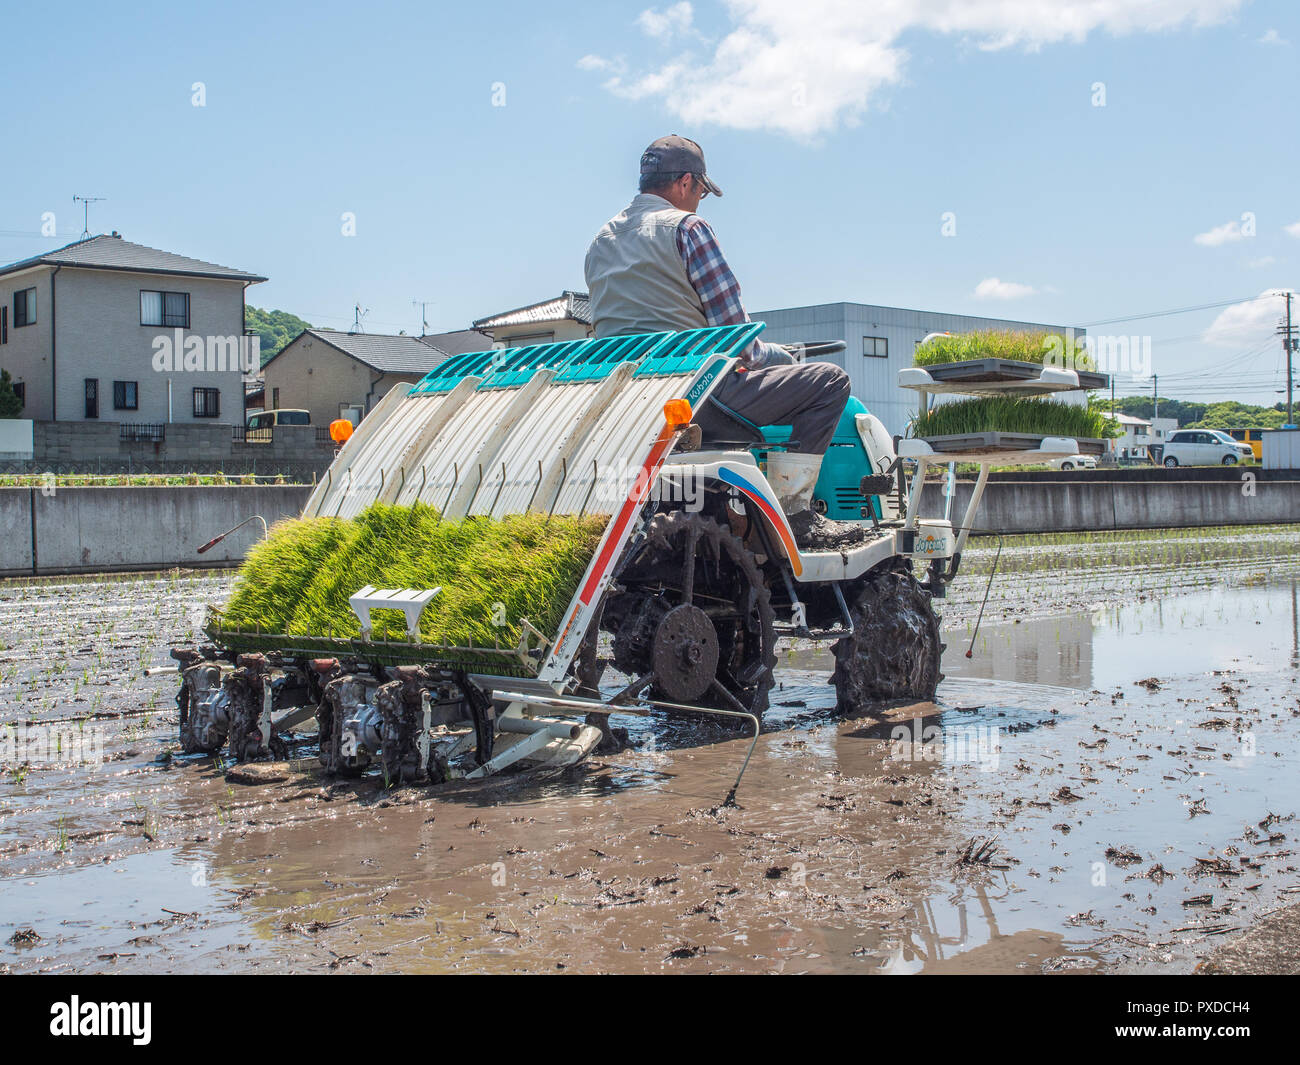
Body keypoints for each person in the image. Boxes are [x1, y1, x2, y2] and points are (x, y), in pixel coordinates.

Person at [584, 135, 862, 547]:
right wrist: (779, 356)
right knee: (830, 381)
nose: (699, 201)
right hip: (699, 396)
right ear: (684, 183)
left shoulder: (601, 241)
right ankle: (795, 515)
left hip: (633, 399)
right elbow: (740, 342)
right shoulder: (688, 229)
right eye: (700, 191)